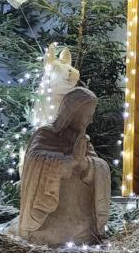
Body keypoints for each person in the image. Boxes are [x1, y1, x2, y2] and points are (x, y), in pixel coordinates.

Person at [17, 86, 110, 244]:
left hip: (81, 220)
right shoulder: (47, 134)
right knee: (52, 236)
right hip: (50, 220)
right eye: (88, 115)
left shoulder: (82, 140)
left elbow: (100, 166)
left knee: (82, 235)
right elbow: (34, 160)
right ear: (74, 112)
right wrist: (65, 163)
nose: (91, 120)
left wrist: (85, 164)